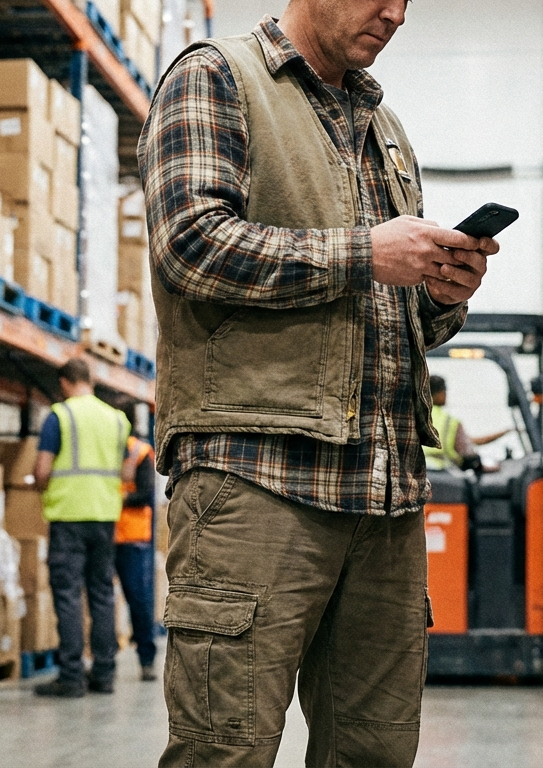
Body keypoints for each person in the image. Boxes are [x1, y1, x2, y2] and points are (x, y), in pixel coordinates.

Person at [138, 0, 499, 763]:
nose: (396, 14)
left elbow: (397, 311)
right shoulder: (216, 77)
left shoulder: (385, 127)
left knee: (374, 751)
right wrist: (365, 253)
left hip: (385, 498)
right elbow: (191, 246)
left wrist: (439, 294)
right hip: (257, 485)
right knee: (224, 749)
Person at [31, 358, 132, 698]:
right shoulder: (117, 420)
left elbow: (42, 470)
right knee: (102, 593)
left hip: (69, 517)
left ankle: (71, 676)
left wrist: (40, 485)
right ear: (91, 379)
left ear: (64, 382)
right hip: (105, 517)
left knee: (69, 594)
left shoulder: (60, 416)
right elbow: (125, 472)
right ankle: (104, 674)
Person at [113, 431, 159, 682]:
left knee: (138, 599)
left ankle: (146, 659)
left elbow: (146, 494)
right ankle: (104, 660)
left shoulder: (139, 452)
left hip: (132, 538)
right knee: (102, 600)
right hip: (105, 533)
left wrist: (117, 499)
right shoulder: (105, 447)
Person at [423, 374, 511, 472]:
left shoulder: (413, 415)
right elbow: (467, 451)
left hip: (415, 471)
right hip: (442, 472)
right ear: (440, 393)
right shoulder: (449, 421)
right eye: (445, 391)